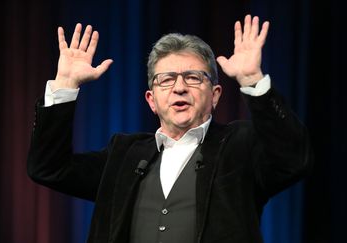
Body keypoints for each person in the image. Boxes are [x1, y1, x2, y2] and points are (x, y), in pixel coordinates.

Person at [27, 15, 312, 243]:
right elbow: (49, 168)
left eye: (193, 77)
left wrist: (253, 80)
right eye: (166, 80)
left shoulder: (240, 145)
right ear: (151, 100)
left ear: (215, 95)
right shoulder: (124, 154)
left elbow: (292, 159)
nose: (179, 87)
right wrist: (64, 86)